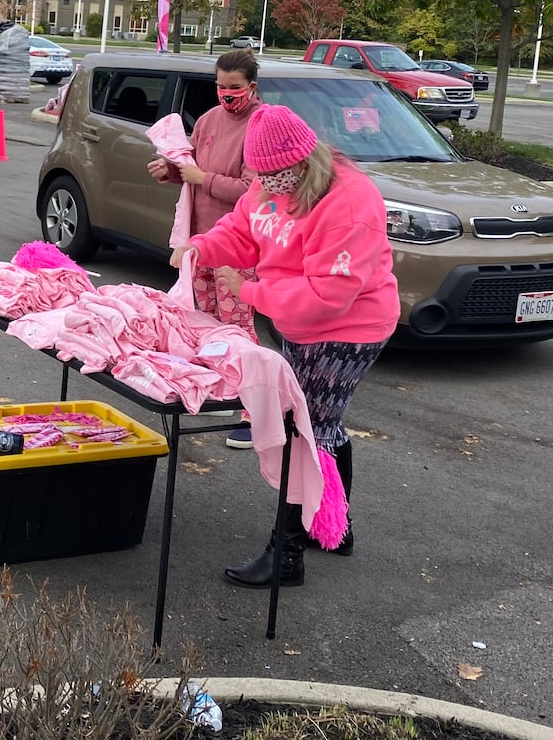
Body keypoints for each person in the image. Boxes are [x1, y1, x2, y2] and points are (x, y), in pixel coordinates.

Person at [170, 102, 397, 588]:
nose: (264, 183)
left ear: (303, 162)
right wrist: (200, 247)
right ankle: (333, 526)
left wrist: (249, 291)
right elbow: (244, 229)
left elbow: (330, 295)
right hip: (297, 322)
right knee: (321, 425)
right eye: (260, 175)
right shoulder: (268, 184)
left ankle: (286, 554)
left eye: (273, 175)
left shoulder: (350, 200)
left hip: (349, 329)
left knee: (303, 432)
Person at [146, 48, 259, 338]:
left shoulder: (260, 126)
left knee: (236, 325)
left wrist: (203, 178)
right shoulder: (208, 120)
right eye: (221, 87)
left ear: (252, 87)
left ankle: (243, 378)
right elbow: (192, 167)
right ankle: (214, 374)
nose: (227, 93)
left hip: (237, 247)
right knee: (205, 321)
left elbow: (252, 190)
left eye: (235, 87)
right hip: (200, 241)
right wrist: (171, 171)